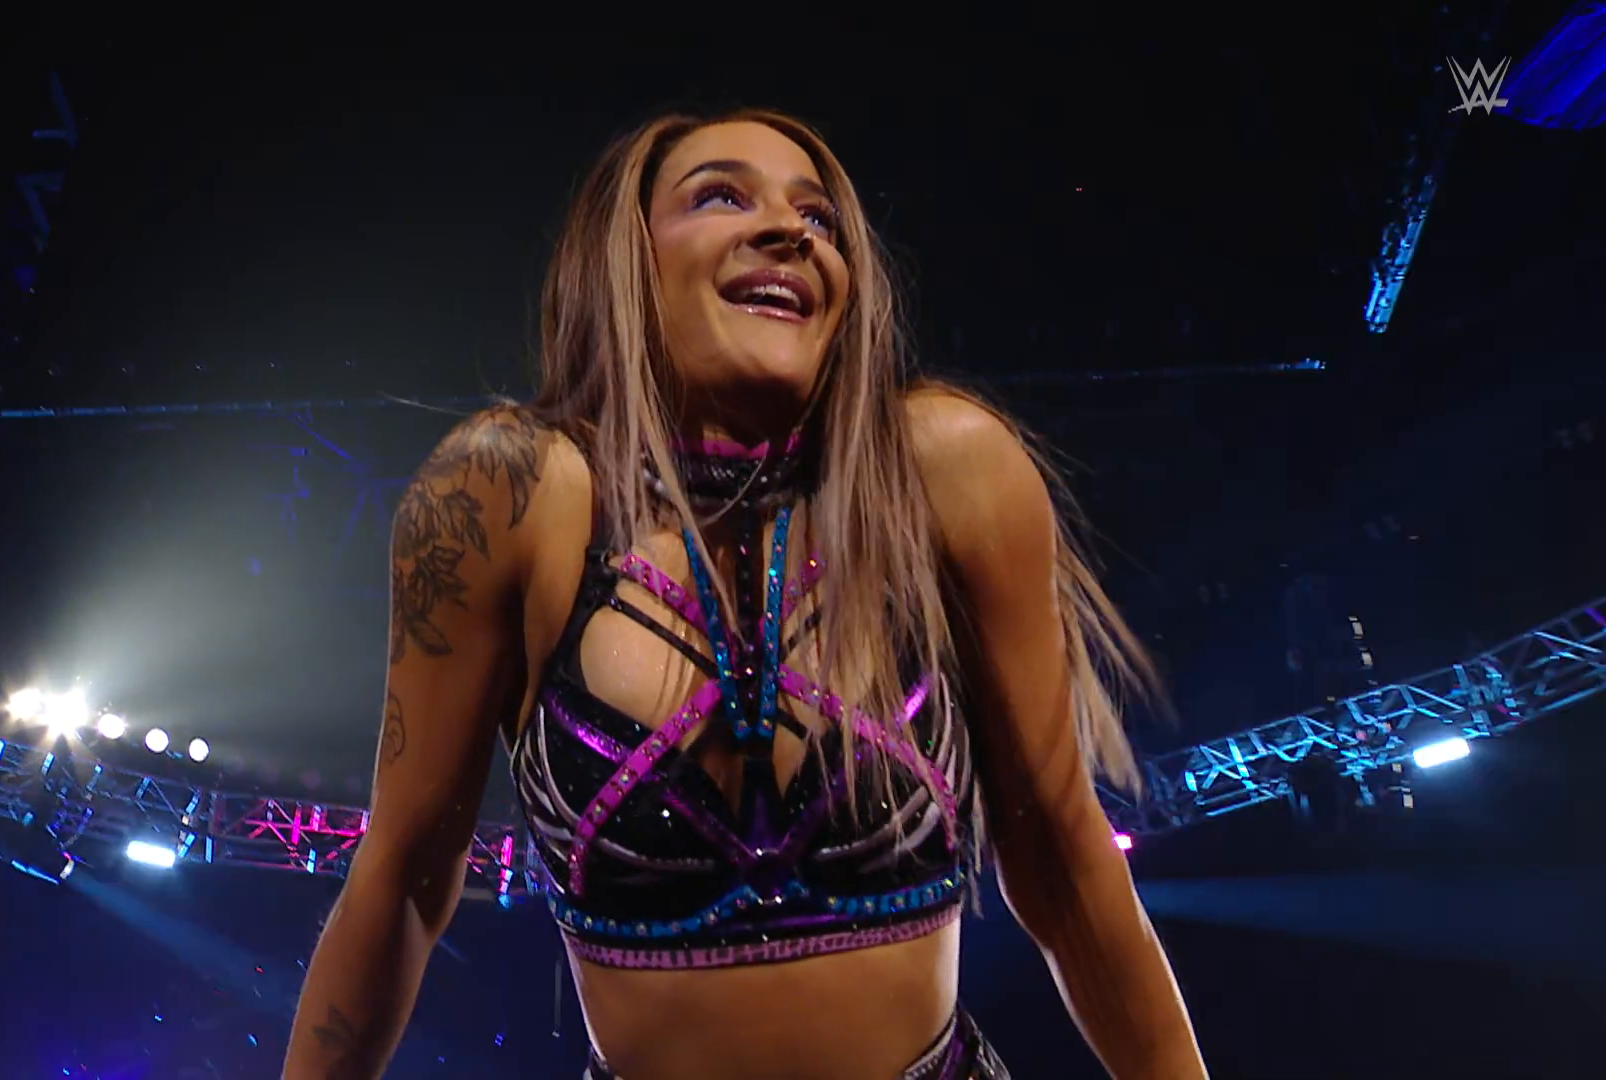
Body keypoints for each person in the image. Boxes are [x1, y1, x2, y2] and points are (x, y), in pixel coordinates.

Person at [281, 108, 1208, 1080]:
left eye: (819, 217)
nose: (789, 231)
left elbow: (1065, 864)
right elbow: (401, 883)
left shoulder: (945, 471)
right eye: (720, 196)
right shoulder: (508, 492)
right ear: (627, 260)